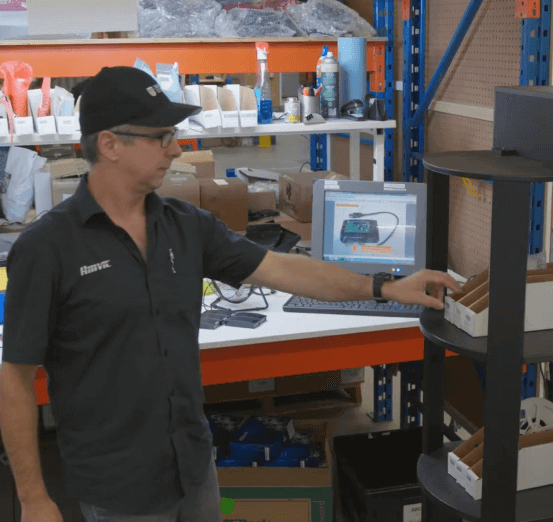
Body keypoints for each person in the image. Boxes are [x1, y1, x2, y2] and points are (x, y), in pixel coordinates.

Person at [0, 66, 461, 522]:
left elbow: (284, 269)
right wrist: (34, 498)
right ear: (109, 144)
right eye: (161, 137)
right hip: (118, 484)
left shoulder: (185, 225)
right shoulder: (47, 248)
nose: (175, 148)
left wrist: (384, 286)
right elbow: (15, 381)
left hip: (194, 464)